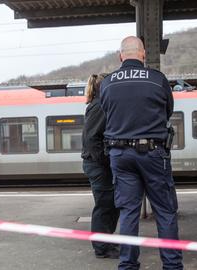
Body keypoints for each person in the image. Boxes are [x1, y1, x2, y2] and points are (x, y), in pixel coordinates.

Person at [100, 36, 183, 270]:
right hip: (153, 153)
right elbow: (167, 111)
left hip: (120, 154)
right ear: (144, 54)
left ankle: (127, 265)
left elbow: (107, 112)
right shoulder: (158, 80)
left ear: (120, 56)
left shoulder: (107, 83)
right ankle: (172, 266)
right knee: (165, 211)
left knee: (128, 212)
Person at [81, 73, 120, 259]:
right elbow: (92, 139)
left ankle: (106, 240)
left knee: (110, 204)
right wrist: (107, 161)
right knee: (104, 205)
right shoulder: (99, 107)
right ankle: (101, 247)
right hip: (99, 165)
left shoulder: (99, 105)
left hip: (100, 164)